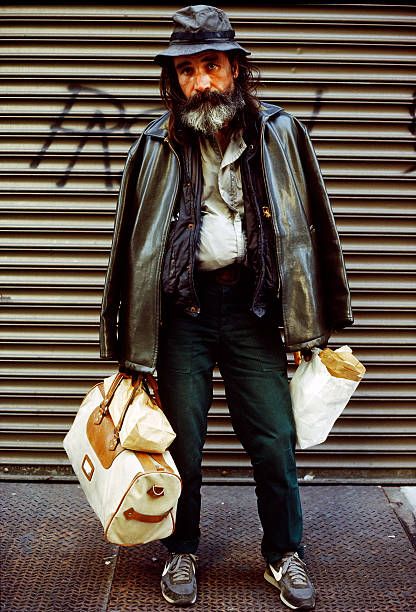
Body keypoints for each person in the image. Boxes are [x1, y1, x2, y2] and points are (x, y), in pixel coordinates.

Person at [100, 5, 353, 610]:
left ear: (236, 69)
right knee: (180, 442)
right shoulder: (155, 143)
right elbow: (129, 246)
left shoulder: (280, 132)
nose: (198, 83)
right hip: (182, 313)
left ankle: (284, 555)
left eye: (210, 66)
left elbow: (308, 228)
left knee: (273, 438)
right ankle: (181, 550)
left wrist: (306, 321)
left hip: (254, 308)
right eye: (186, 71)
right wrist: (129, 347)